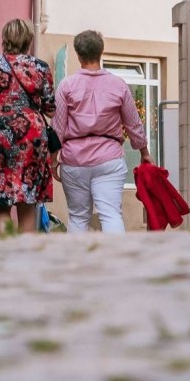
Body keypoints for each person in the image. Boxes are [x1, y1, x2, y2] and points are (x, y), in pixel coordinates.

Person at [0, 19, 57, 235]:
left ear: (5, 38)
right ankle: (24, 249)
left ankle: (7, 246)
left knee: (1, 200)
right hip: (32, 136)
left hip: (1, 136)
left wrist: (0, 109)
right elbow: (51, 110)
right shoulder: (40, 67)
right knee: (27, 199)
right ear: (28, 39)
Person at [54, 30, 150, 234]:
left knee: (78, 217)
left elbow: (58, 127)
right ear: (101, 52)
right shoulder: (118, 85)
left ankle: (76, 255)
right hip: (109, 159)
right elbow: (133, 124)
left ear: (78, 55)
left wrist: (53, 159)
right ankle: (115, 254)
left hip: (74, 160)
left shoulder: (66, 86)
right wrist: (144, 152)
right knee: (111, 214)